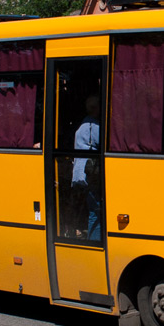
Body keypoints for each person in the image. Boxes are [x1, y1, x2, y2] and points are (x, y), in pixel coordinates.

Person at [71, 95, 102, 240]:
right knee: (96, 212)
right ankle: (94, 242)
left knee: (92, 210)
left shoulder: (82, 125)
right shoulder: (94, 126)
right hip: (90, 174)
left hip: (81, 174)